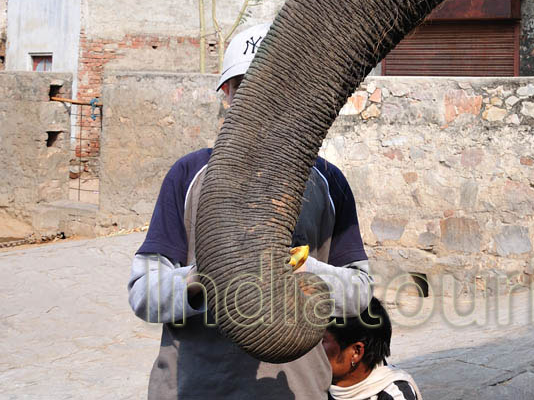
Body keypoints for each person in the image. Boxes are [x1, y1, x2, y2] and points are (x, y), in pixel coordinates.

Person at [128, 22, 374, 400]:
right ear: (227, 93)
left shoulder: (328, 182)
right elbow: (143, 291)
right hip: (195, 389)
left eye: (275, 88)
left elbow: (359, 291)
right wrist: (203, 280)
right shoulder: (189, 175)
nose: (262, 102)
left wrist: (302, 271)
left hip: (296, 391)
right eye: (247, 88)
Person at [323, 298, 421, 400]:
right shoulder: (319, 384)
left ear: (356, 352)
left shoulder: (394, 395)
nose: (315, 349)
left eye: (322, 341)